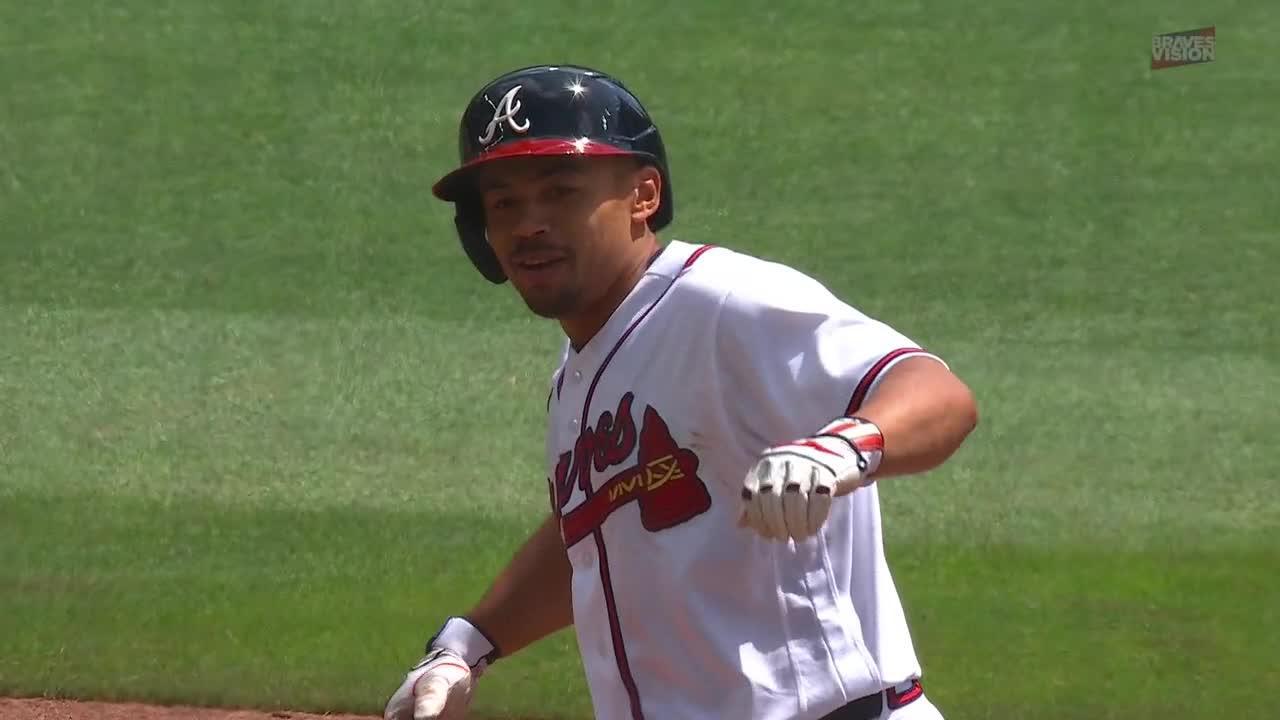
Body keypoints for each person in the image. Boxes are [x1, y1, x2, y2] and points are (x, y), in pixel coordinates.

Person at [384, 64, 978, 720]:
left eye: (560, 192)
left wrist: (841, 449)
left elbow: (936, 392)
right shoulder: (584, 367)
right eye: (504, 204)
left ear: (643, 196)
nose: (530, 224)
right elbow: (598, 529)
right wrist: (468, 644)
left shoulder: (722, 302)